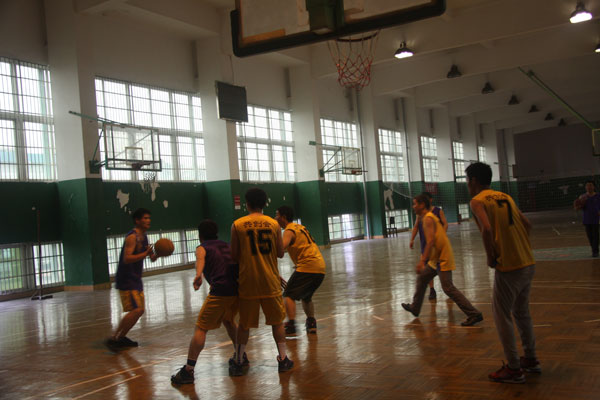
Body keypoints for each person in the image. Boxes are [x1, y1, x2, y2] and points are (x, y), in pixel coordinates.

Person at [466, 162, 539, 384]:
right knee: (522, 312)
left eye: (467, 180)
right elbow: (527, 224)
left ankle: (514, 368)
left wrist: (491, 256)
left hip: (509, 266)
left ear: (474, 181)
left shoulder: (477, 201)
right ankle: (530, 358)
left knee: (501, 315)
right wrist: (518, 244)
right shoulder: (505, 196)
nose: (467, 184)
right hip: (527, 261)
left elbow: (487, 229)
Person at [229, 188, 293, 375]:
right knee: (277, 322)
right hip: (270, 280)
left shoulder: (237, 225)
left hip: (248, 281)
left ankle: (239, 361)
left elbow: (234, 256)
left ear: (247, 204)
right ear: (265, 204)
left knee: (244, 324)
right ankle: (283, 359)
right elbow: (280, 253)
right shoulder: (273, 224)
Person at [171, 220, 242, 385]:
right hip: (237, 291)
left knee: (201, 328)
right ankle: (241, 356)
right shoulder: (227, 245)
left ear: (200, 234)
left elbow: (200, 259)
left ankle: (188, 370)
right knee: (229, 321)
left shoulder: (202, 247)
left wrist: (198, 274)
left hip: (221, 291)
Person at [401, 194, 483, 327]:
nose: (413, 206)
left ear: (422, 205)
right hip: (435, 258)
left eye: (415, 204)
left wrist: (422, 261)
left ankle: (474, 314)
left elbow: (430, 241)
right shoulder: (424, 217)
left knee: (448, 288)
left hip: (442, 257)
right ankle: (415, 308)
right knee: (422, 278)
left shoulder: (428, 218)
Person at [105, 208, 157, 351]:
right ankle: (114, 338)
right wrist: (145, 254)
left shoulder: (144, 237)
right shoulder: (132, 237)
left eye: (149, 218)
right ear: (137, 220)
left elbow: (151, 257)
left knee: (139, 310)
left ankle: (121, 337)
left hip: (136, 279)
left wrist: (159, 253)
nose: (148, 220)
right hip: (126, 278)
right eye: (145, 218)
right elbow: (127, 258)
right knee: (137, 309)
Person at [275, 205, 326, 335]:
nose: (275, 218)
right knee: (306, 296)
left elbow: (281, 249)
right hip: (319, 267)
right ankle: (311, 323)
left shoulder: (289, 230)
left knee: (288, 294)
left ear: (283, 217)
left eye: (277, 215)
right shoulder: (300, 227)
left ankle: (291, 324)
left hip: (308, 267)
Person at [409, 192, 448, 300]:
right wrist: (412, 239)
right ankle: (432, 289)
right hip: (425, 245)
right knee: (426, 271)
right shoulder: (420, 215)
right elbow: (416, 226)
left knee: (441, 270)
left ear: (429, 200)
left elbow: (445, 224)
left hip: (436, 247)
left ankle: (448, 288)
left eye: (416, 203)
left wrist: (442, 235)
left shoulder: (436, 212)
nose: (414, 206)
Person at [573, 180, 600, 257]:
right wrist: (577, 206)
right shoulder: (582, 197)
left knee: (596, 235)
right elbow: (577, 208)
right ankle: (593, 249)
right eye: (587, 185)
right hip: (587, 219)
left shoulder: (598, 196)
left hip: (596, 218)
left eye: (590, 185)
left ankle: (595, 251)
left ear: (594, 187)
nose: (589, 187)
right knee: (590, 236)